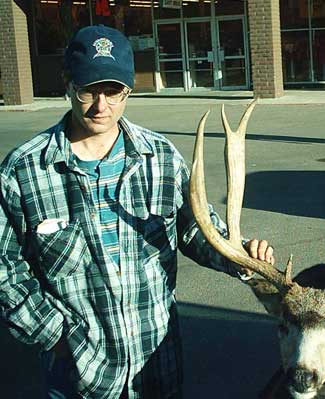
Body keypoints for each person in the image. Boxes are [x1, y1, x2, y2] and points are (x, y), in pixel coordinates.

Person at [0, 25, 274, 399]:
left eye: (113, 92)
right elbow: (5, 268)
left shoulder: (160, 158)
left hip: (157, 365)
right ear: (67, 84)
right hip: (80, 375)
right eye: (87, 90)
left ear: (128, 90)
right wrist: (52, 335)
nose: (101, 106)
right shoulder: (24, 170)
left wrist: (241, 255)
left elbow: (195, 229)